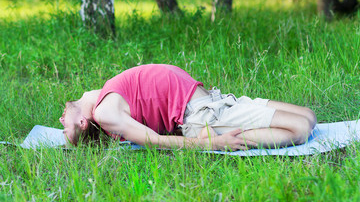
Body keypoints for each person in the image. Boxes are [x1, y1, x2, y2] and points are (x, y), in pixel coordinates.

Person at [59, 64, 317, 150]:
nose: (60, 122)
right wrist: (211, 145)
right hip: (199, 115)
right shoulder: (104, 113)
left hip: (211, 100)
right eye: (65, 130)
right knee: (300, 129)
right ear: (82, 123)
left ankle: (216, 130)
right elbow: (156, 140)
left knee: (309, 116)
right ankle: (216, 135)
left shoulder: (95, 97)